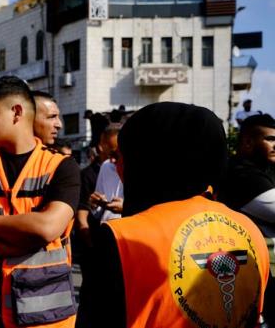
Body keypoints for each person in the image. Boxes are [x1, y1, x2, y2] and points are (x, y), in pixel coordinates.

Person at [76, 102, 270, 328]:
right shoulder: (249, 229)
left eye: (122, 156)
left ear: (145, 162)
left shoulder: (119, 239)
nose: (117, 165)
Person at [0, 76, 80, 328]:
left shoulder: (61, 167)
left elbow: (46, 227)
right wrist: (24, 243)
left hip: (46, 318)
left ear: (16, 112)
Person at [219, 113, 275, 326]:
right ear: (248, 142)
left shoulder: (263, 170)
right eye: (269, 139)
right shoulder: (242, 174)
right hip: (255, 273)